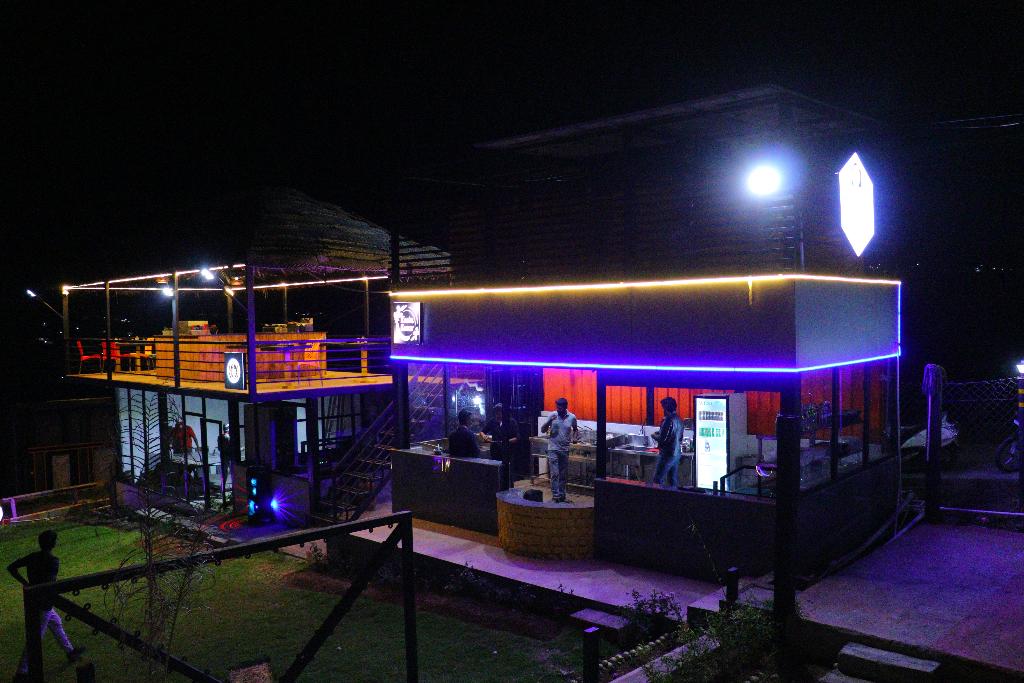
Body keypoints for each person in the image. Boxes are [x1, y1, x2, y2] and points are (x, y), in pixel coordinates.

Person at [9, 530, 85, 678]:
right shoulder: (53, 560)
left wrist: (26, 583)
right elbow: (50, 584)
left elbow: (11, 567)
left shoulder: (33, 557)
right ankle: (21, 672)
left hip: (35, 600)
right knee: (35, 639)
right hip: (44, 603)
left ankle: (70, 652)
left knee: (56, 623)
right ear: (52, 544)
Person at [540, 397, 578, 503]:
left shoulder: (572, 417)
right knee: (555, 473)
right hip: (553, 449)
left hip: (564, 449)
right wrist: (549, 421)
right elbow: (543, 430)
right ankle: (555, 496)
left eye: (560, 408)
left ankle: (562, 495)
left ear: (565, 407)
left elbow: (575, 429)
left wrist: (575, 438)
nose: (558, 410)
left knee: (563, 474)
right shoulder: (552, 415)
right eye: (557, 407)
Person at [482, 403, 519, 488]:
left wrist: (506, 441)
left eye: (499, 412)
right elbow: (482, 431)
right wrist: (484, 436)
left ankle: (509, 489)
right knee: (496, 470)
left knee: (507, 471)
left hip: (507, 451)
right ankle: (496, 488)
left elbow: (517, 437)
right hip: (495, 449)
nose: (498, 414)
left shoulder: (511, 421)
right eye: (496, 412)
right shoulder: (493, 421)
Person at [651, 396, 685, 488]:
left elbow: (663, 439)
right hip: (676, 453)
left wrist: (653, 435)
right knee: (672, 480)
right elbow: (680, 437)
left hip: (667, 454)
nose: (663, 410)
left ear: (666, 408)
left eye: (663, 408)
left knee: (657, 479)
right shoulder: (679, 419)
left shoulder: (668, 420)